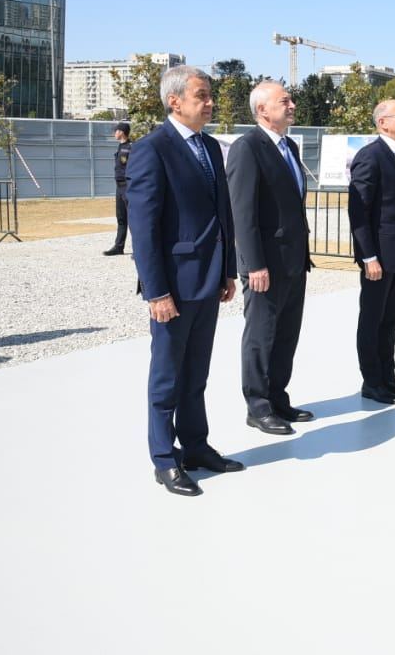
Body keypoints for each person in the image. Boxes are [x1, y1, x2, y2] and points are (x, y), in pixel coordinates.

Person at [127, 65, 242, 497]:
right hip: (173, 285)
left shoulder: (211, 147)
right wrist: (156, 291)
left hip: (209, 280)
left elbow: (221, 214)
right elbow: (145, 227)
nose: (210, 102)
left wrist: (228, 269)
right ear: (174, 100)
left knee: (196, 374)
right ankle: (165, 458)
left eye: (210, 95)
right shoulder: (151, 149)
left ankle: (196, 447)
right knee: (167, 376)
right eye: (202, 95)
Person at [226, 81, 313, 436]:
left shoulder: (288, 145)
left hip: (293, 260)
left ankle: (278, 397)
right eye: (284, 100)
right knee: (261, 335)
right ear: (262, 109)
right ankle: (258, 406)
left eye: (290, 100)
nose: (292, 105)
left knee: (287, 334)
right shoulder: (248, 148)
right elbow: (242, 212)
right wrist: (254, 263)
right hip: (266, 264)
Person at [347, 99, 395, 405]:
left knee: (391, 319)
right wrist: (368, 256)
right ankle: (372, 381)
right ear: (382, 123)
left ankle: (389, 376)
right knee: (372, 320)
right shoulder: (371, 157)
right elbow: (359, 211)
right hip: (378, 256)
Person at [103, 122, 132, 256]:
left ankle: (139, 248)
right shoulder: (120, 148)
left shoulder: (130, 148)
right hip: (119, 187)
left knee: (133, 219)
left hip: (128, 187)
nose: (114, 133)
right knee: (121, 218)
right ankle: (119, 246)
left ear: (122, 132)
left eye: (116, 131)